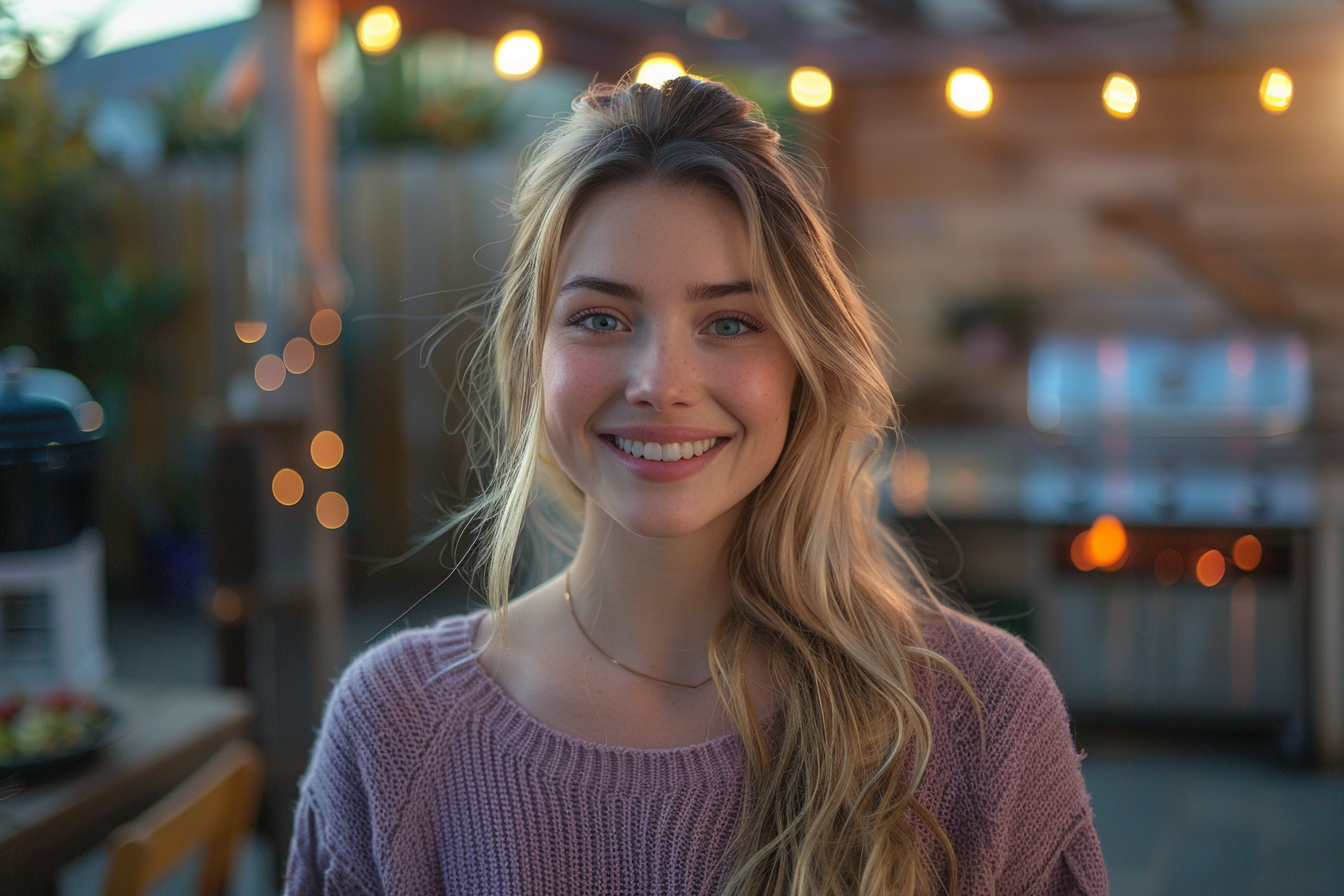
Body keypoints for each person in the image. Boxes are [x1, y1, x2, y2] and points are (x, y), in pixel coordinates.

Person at [284, 77, 1107, 896]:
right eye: (600, 318)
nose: (661, 382)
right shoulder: (393, 730)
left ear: (803, 366)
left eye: (730, 323)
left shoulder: (982, 724)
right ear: (531, 358)